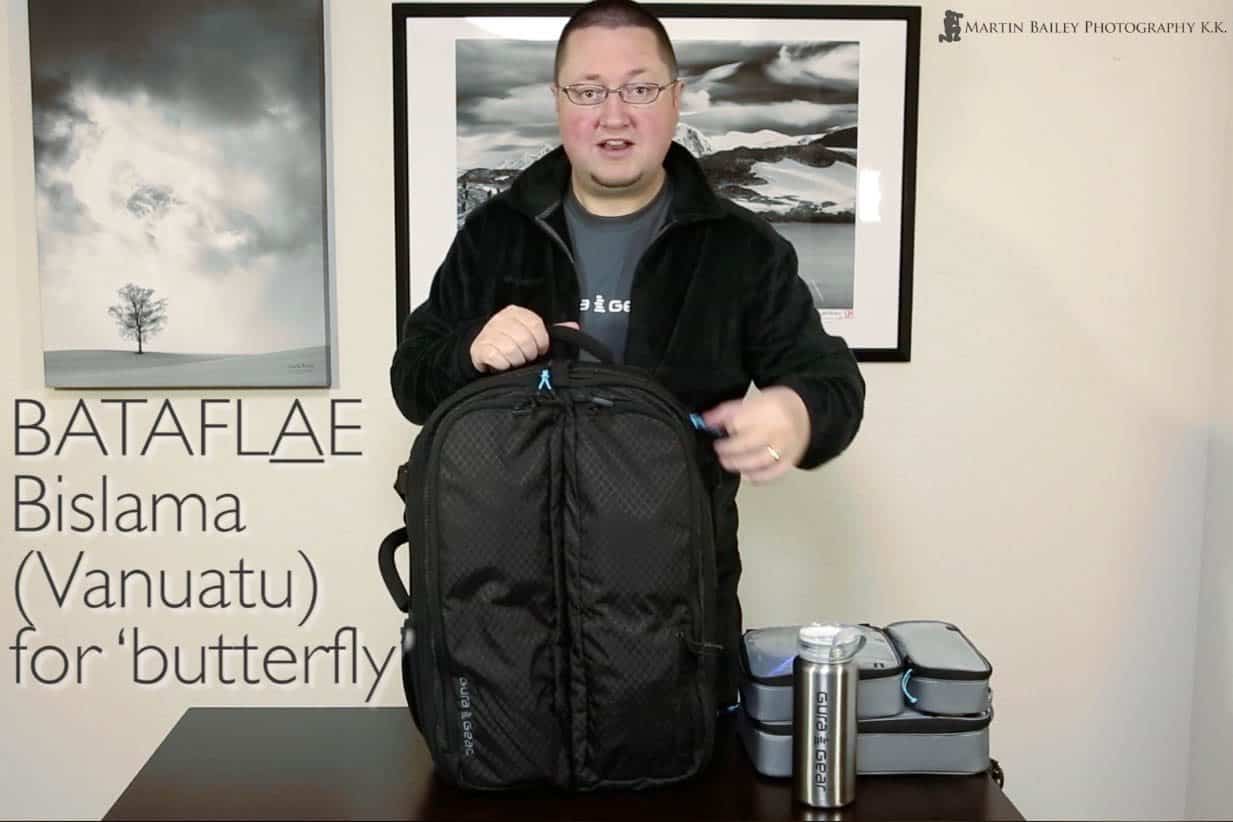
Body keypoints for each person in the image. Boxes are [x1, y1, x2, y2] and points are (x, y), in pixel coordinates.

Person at [390, 0, 865, 709]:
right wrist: (467, 350)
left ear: (675, 99)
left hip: (675, 623)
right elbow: (412, 380)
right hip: (506, 622)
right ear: (558, 102)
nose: (614, 115)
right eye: (588, 91)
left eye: (639, 88)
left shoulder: (742, 249)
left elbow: (832, 385)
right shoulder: (495, 235)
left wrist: (796, 413)